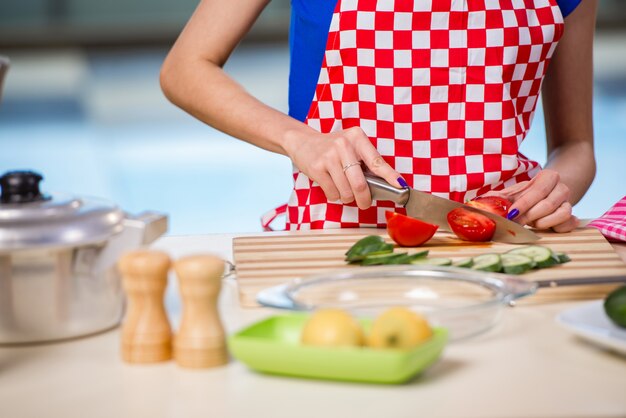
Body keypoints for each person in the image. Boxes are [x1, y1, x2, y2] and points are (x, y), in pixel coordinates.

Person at [160, 0, 596, 232]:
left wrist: (555, 190)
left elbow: (576, 146)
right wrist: (299, 140)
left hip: (496, 240)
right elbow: (185, 69)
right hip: (337, 239)